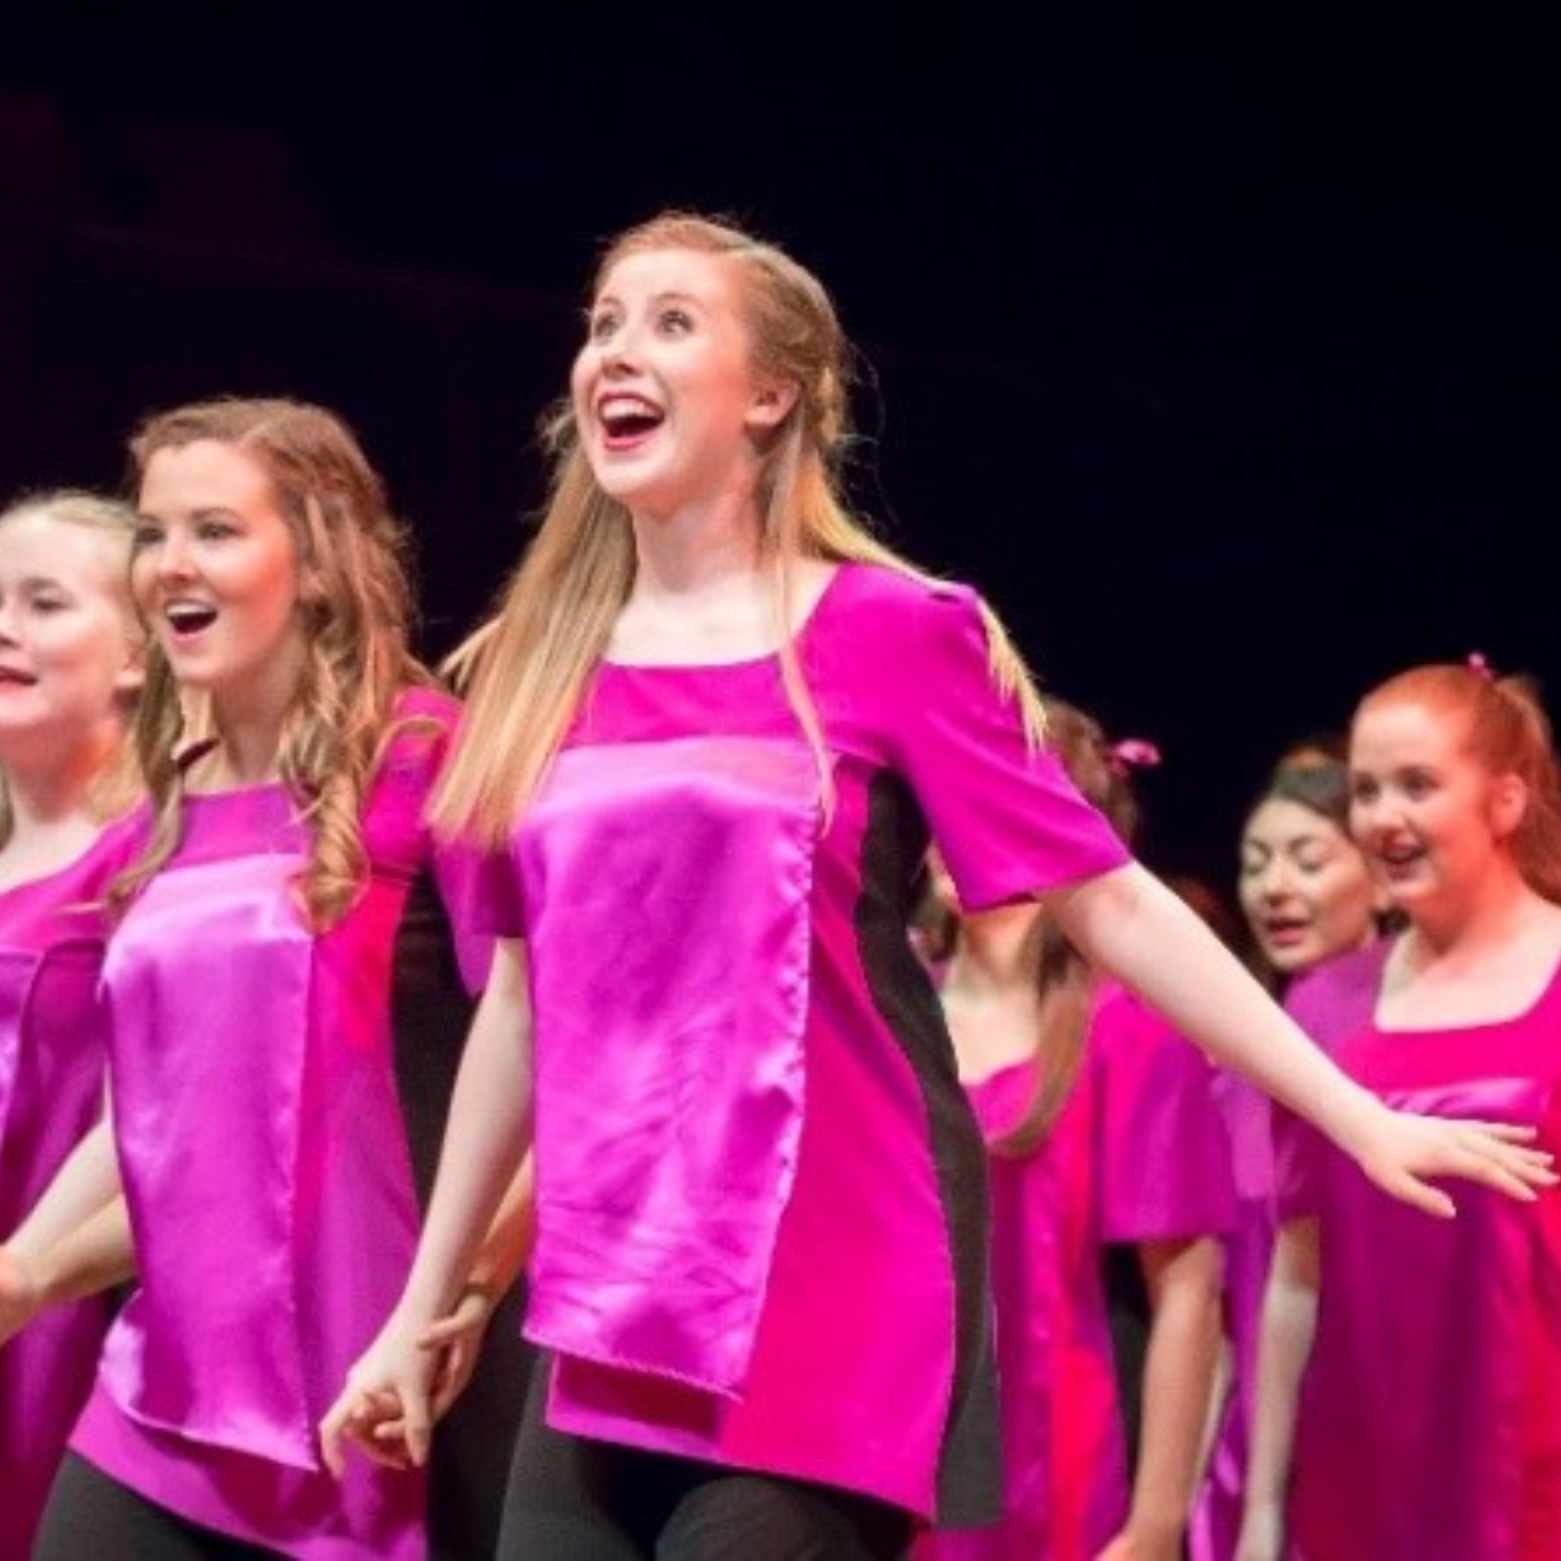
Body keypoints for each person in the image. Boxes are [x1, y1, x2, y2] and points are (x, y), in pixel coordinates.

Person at [318, 210, 1552, 1560]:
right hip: (612, 1313)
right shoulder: (537, 667)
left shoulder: (889, 632)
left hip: (828, 1296)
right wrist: (419, 1302)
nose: (617, 348)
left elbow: (1109, 897)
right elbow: (522, 1006)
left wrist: (1351, 1112)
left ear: (772, 393)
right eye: (604, 321)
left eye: (673, 321)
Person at [6, 398, 528, 1559]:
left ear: (322, 561)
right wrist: (31, 1267)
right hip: (162, 1392)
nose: (169, 565)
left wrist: (456, 1302)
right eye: (152, 532)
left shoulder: (424, 762)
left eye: (214, 530)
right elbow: (162, 1116)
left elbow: (544, 1051)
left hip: (367, 1406)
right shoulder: (172, 801)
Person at [1237, 660, 1561, 1560]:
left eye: (1416, 785)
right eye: (1367, 788)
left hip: (1531, 1483)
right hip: (1358, 1484)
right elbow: (1296, 1280)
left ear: (1504, 800)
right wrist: (1262, 1509)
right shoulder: (1324, 1007)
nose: (1382, 817)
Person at [914, 698, 1235, 1561]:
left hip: (1052, 1467)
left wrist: (1155, 1523)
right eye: (943, 793)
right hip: (888, 1453)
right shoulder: (892, 1000)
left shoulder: (1125, 1025)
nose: (956, 821)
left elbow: (1187, 1287)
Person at [1189, 758, 1393, 1560]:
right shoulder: (1240, 1048)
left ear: (1380, 879)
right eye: (1253, 861)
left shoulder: (1389, 1029)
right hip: (1252, 1433)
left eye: (1308, 861)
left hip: (1357, 1421)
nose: (1274, 886)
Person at [0, 489, 144, 1561]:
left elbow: (160, 1126)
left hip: (56, 1329)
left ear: (138, 655)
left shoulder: (151, 865)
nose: (4, 624)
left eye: (43, 601)